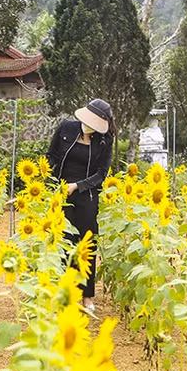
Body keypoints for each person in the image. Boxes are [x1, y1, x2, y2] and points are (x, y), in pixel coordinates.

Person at [46, 99, 114, 312]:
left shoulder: (105, 139)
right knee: (65, 243)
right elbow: (52, 156)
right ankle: (67, 293)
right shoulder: (66, 128)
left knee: (86, 246)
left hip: (86, 196)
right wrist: (45, 177)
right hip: (61, 192)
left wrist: (78, 186)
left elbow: (102, 174)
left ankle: (87, 297)